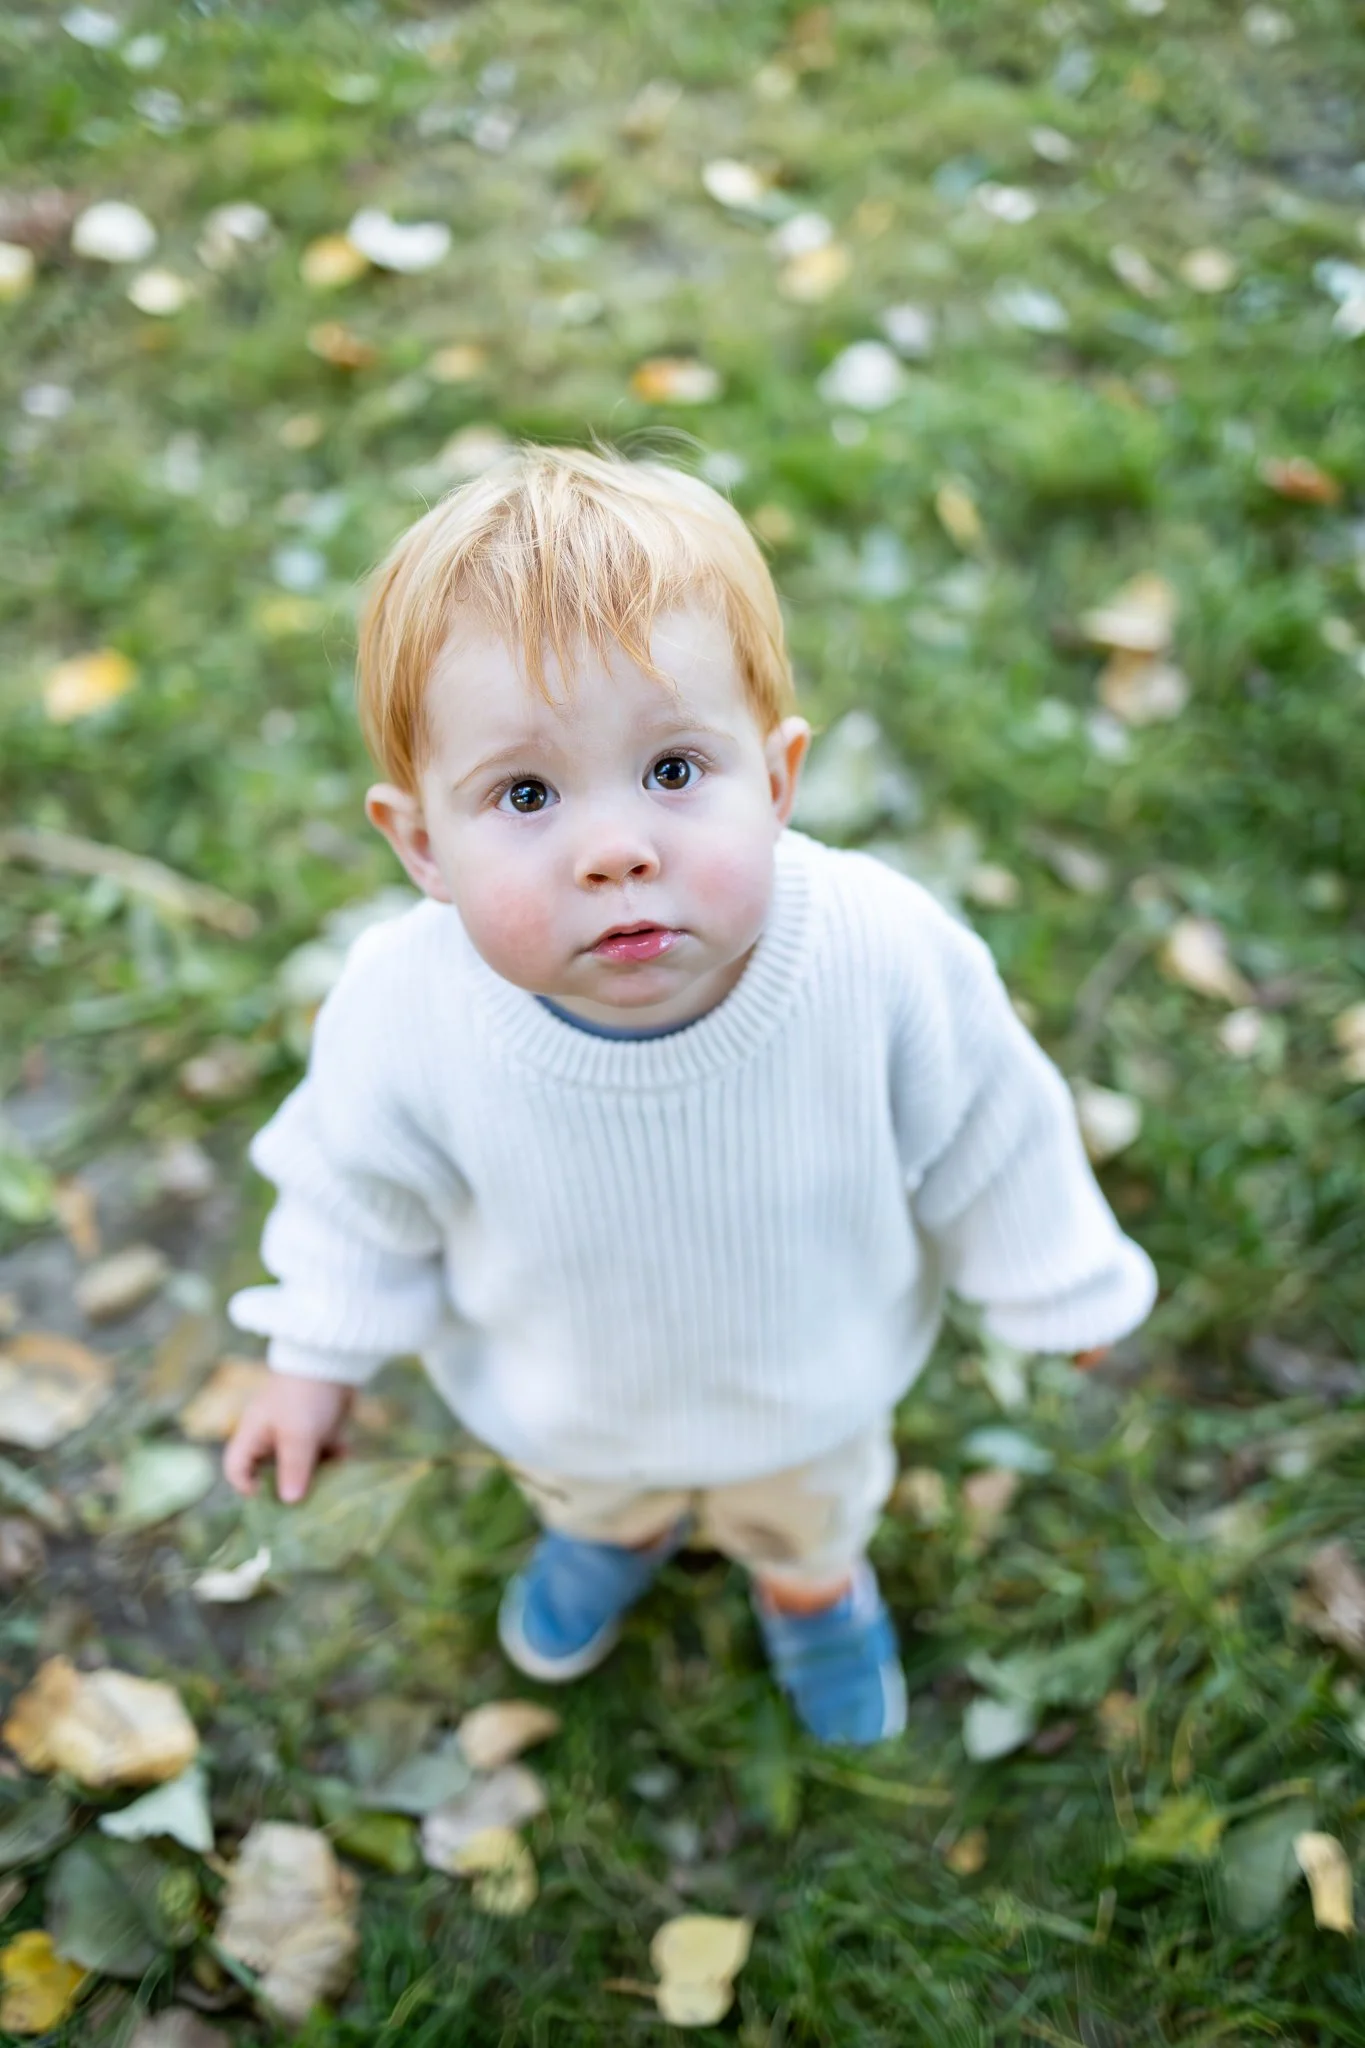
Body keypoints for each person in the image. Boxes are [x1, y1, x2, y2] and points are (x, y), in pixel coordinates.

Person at [223, 446, 1155, 1746]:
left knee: (806, 1501)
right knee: (588, 1489)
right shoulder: (404, 1010)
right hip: (566, 1392)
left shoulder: (879, 951)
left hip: (808, 1382)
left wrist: (1057, 1278)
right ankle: (620, 1533)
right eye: (528, 793)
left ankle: (811, 1586)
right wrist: (315, 1353)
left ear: (776, 780)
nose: (617, 850)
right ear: (422, 840)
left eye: (672, 771)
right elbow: (352, 1192)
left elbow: (991, 1126)